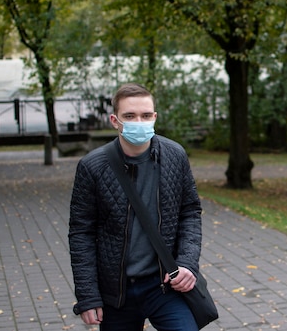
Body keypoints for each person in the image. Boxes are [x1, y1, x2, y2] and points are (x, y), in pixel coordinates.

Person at [69, 83, 201, 330]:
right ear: (114, 120)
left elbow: (190, 212)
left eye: (145, 115)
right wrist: (88, 296)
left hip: (165, 284)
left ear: (155, 117)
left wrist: (187, 263)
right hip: (117, 293)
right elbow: (81, 234)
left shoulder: (175, 155)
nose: (139, 121)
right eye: (129, 116)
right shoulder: (92, 167)